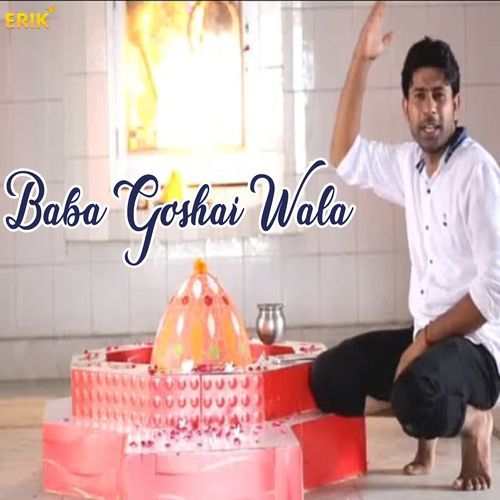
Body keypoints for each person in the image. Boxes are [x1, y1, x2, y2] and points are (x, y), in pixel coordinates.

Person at [309, 1, 500, 492]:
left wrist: (425, 342)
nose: (430, 107)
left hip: (476, 350)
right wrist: (362, 59)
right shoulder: (409, 165)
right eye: (420, 96)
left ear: (457, 104)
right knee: (328, 378)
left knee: (416, 398)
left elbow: (495, 291)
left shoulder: (478, 173)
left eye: (440, 95)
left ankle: (475, 420)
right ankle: (424, 403)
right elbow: (344, 156)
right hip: (426, 336)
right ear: (407, 108)